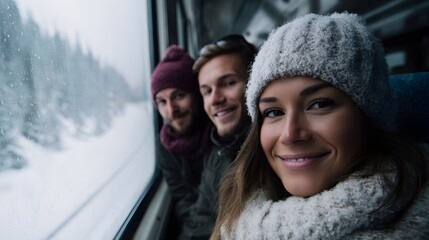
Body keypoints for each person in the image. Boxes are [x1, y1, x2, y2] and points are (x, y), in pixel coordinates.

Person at [211, 13, 429, 239]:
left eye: (319, 104)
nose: (290, 134)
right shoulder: (237, 214)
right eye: (274, 112)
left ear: (369, 117)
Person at [178, 35, 257, 239]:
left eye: (228, 83)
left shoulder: (275, 150)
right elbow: (200, 221)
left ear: (255, 84)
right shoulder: (217, 152)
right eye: (206, 91)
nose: (215, 99)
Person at [150, 45, 212, 235]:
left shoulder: (220, 133)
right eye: (162, 101)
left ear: (197, 95)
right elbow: (182, 199)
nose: (171, 110)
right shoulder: (164, 147)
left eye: (179, 96)